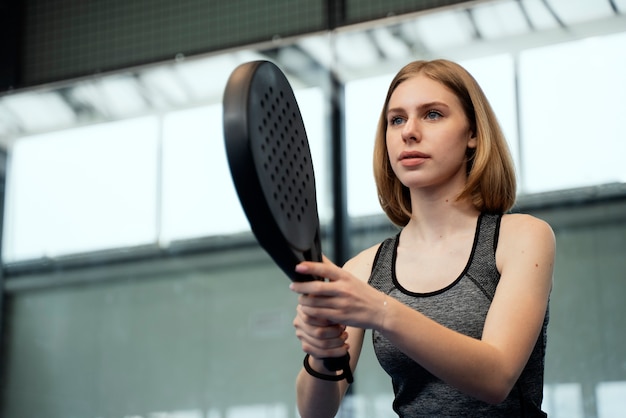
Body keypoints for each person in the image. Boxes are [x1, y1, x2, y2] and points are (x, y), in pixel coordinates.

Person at [289, 59, 555, 417]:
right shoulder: (364, 269)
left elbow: (497, 377)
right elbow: (315, 412)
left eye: (432, 114)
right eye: (396, 119)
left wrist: (381, 311)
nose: (409, 132)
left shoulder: (522, 237)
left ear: (473, 134)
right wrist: (323, 353)